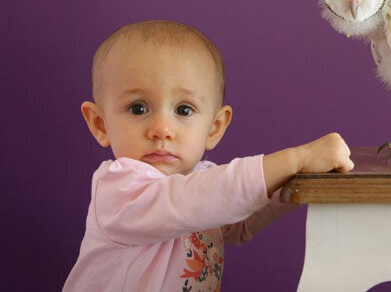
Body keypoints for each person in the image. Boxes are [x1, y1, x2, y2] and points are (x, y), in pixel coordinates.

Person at [63, 20, 354, 292]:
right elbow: (201, 198)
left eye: (184, 110)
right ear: (100, 124)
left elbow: (238, 222)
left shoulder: (203, 180)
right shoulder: (120, 190)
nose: (162, 129)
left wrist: (302, 181)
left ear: (214, 128)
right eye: (138, 108)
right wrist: (295, 159)